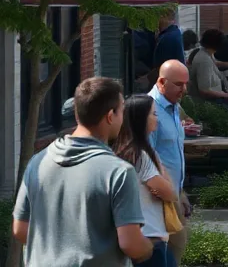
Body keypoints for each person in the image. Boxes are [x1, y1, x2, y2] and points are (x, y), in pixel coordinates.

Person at [13, 77, 153, 267]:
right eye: (122, 111)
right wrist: (149, 246)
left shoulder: (38, 162)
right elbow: (131, 244)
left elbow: (20, 230)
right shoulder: (119, 172)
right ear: (110, 116)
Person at [114, 94, 180, 267]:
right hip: (149, 238)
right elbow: (169, 193)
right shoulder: (140, 155)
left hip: (141, 234)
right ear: (141, 119)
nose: (157, 119)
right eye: (154, 114)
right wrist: (160, 167)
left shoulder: (123, 151)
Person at [148, 60, 191, 261]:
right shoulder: (149, 111)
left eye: (185, 84)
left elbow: (174, 153)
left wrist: (181, 193)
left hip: (173, 192)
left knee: (175, 249)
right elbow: (146, 158)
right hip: (158, 195)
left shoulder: (173, 106)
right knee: (173, 249)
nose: (184, 89)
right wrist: (165, 193)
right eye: (179, 84)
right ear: (162, 82)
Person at [187, 29, 228, 101]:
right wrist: (226, 95)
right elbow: (204, 90)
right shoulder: (204, 60)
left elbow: (216, 65)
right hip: (206, 106)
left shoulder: (208, 54)